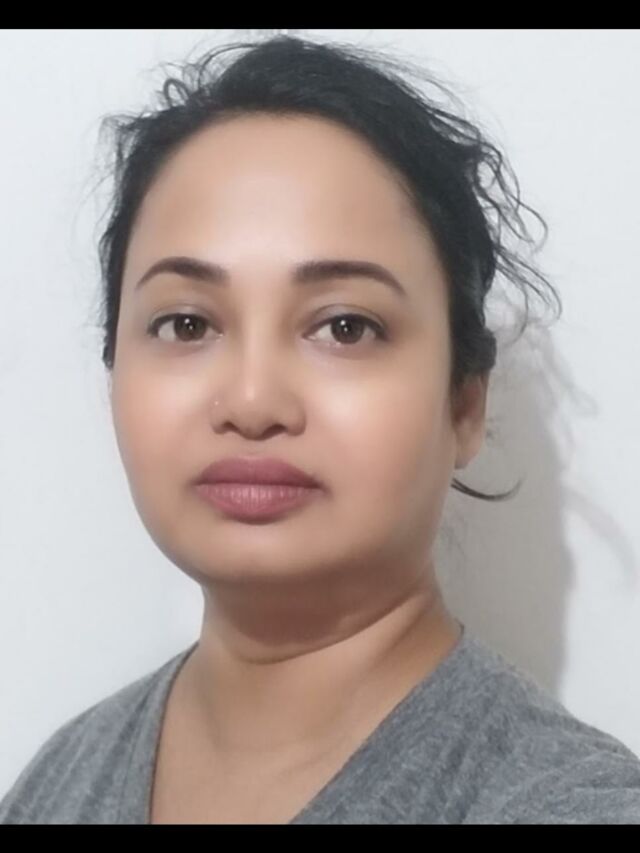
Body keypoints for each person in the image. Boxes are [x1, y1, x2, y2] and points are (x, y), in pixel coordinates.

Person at [1, 33, 639, 825]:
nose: (252, 400)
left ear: (465, 403)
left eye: (345, 326)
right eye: (187, 323)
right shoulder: (55, 783)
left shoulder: (568, 803)